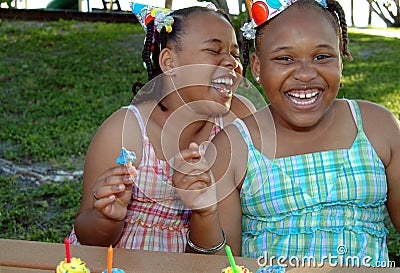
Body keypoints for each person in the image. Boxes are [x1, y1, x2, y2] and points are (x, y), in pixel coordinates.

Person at [172, 0, 400, 266]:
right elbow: (215, 266)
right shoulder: (234, 146)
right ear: (257, 66)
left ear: (341, 60)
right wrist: (205, 214)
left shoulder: (378, 127)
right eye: (285, 59)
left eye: (322, 57)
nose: (305, 74)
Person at [69, 2, 256, 252]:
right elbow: (89, 237)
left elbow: (227, 248)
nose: (232, 62)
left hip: (206, 256)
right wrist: (108, 217)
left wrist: (205, 211)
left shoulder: (238, 121)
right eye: (214, 50)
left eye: (234, 54)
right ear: (169, 63)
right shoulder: (126, 131)